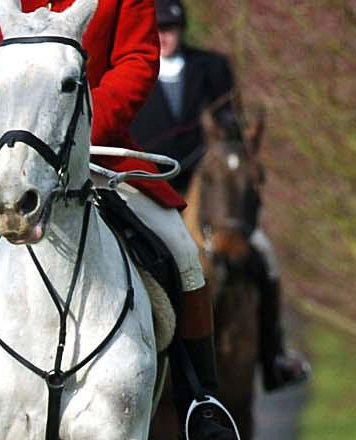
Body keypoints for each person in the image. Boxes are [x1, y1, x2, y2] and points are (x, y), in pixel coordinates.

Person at [0, 0, 242, 440]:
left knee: (181, 251)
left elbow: (137, 59)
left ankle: (200, 403)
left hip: (93, 145)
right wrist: (2, 129)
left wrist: (83, 128)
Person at [130, 0, 309, 391]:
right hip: (146, 187)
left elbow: (231, 123)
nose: (166, 38)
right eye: (158, 30)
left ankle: (273, 356)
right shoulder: (131, 68)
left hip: (208, 189)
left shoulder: (211, 68)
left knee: (262, 254)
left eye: (172, 30)